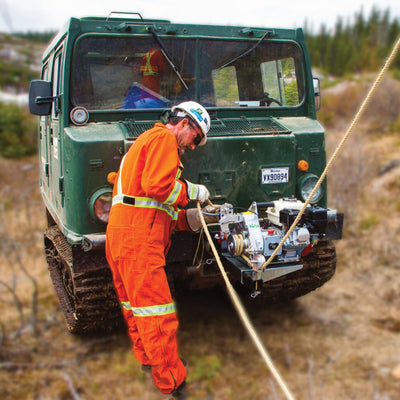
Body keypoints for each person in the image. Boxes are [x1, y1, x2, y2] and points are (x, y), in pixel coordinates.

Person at [105, 101, 217, 399]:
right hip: (139, 242)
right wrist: (193, 192)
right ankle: (172, 381)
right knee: (158, 311)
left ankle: (148, 359)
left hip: (122, 235)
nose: (194, 147)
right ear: (184, 125)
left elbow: (152, 205)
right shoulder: (163, 139)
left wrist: (189, 219)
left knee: (136, 307)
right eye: (196, 139)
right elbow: (158, 188)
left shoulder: (145, 144)